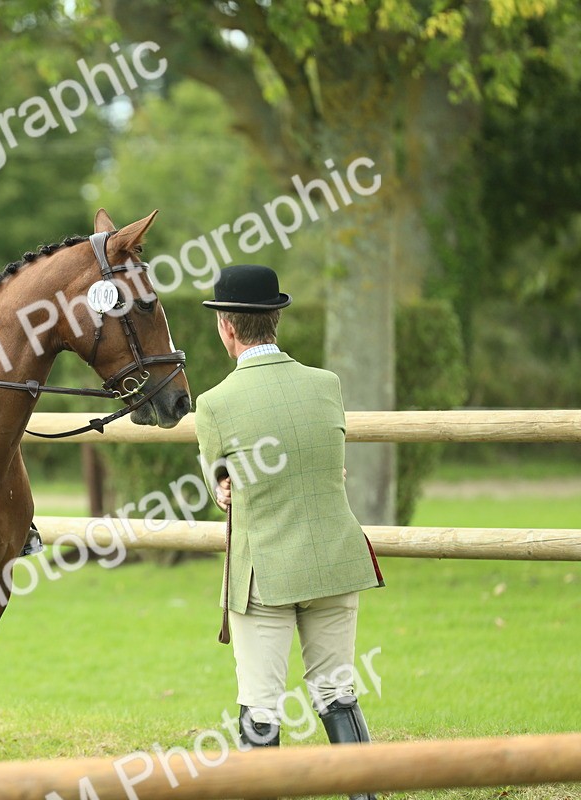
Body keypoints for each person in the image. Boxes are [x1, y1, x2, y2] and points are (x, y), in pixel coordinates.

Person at [195, 265, 384, 800]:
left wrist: (223, 489)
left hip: (265, 574)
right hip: (334, 559)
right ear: (275, 320)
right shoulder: (327, 386)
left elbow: (221, 483)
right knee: (337, 693)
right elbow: (329, 465)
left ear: (226, 328)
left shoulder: (214, 404)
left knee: (260, 703)